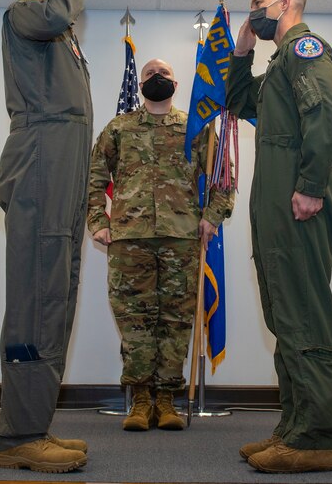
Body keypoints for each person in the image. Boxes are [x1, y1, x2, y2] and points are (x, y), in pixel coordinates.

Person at [225, 0, 332, 474]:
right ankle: (294, 426)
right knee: (285, 315)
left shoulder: (304, 49)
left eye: (257, 3)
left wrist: (312, 185)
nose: (252, 11)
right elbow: (239, 102)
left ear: (284, 3)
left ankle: (315, 438)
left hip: (300, 200)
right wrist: (242, 52)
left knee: (305, 315)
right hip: (278, 202)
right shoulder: (279, 63)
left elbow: (329, 112)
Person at [87, 59, 234, 432]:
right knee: (134, 320)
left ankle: (167, 401)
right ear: (140, 85)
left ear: (176, 83)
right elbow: (94, 175)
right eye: (150, 74)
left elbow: (223, 174)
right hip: (129, 239)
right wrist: (97, 221)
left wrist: (212, 217)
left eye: (163, 74)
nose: (157, 78)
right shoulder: (119, 128)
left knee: (176, 320)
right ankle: (140, 400)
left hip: (181, 238)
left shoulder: (194, 127)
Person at [0, 0, 91, 473]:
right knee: (37, 297)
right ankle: (20, 436)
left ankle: (34, 422)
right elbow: (54, 13)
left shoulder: (59, 35)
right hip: (40, 166)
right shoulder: (26, 12)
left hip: (62, 169)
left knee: (56, 295)